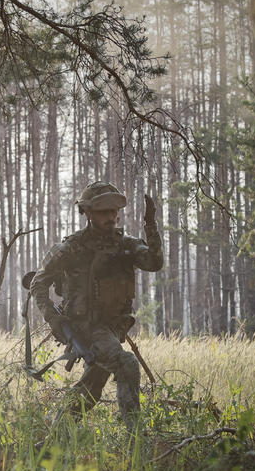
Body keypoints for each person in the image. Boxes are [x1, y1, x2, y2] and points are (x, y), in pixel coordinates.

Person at [30, 181, 163, 429]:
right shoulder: (71, 248)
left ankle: (55, 436)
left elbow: (154, 262)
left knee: (89, 391)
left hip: (113, 327)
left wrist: (151, 224)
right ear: (88, 213)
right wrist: (53, 318)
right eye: (104, 212)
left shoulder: (126, 244)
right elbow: (39, 282)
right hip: (86, 326)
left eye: (114, 211)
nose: (111, 217)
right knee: (126, 364)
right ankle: (137, 441)